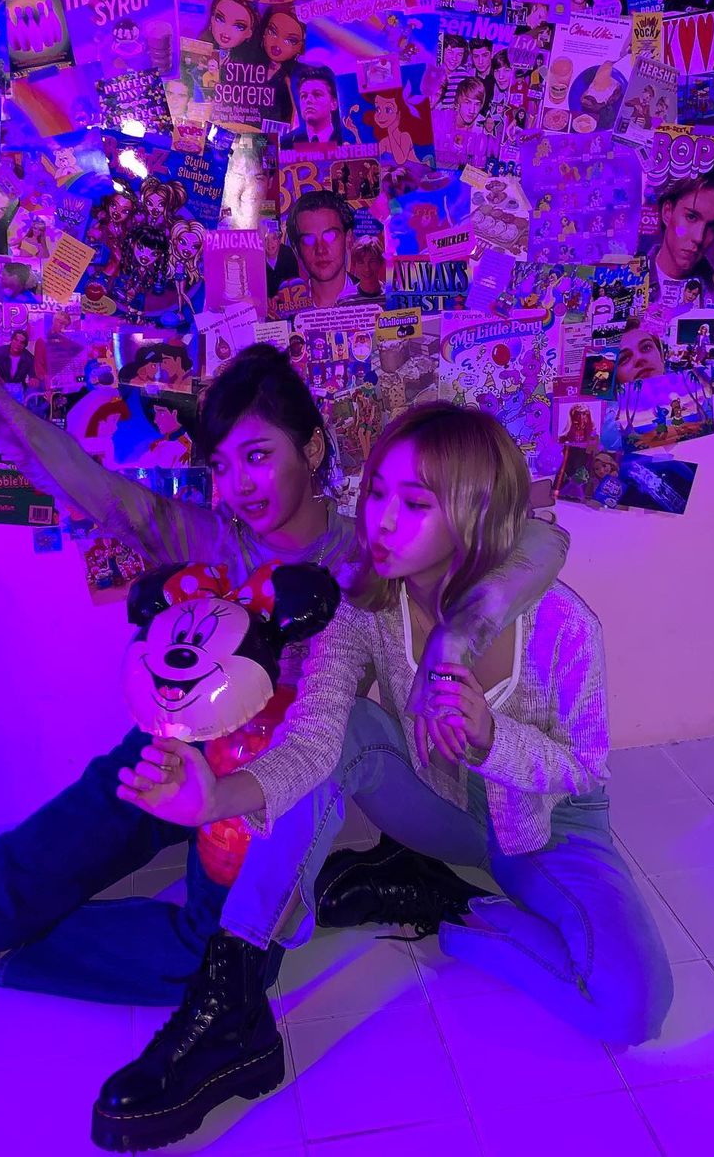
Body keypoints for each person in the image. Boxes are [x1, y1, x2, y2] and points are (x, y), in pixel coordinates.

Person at [0, 323, 566, 1032]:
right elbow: (63, 467)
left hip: (266, 791)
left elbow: (540, 539)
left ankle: (23, 942)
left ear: (311, 449)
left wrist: (456, 640)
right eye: (222, 466)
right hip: (167, 756)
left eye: (257, 455)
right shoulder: (203, 539)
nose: (239, 485)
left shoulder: (371, 552)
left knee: (217, 961)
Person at [97, 405, 672, 1150]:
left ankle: (456, 907)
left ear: (474, 513)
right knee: (353, 730)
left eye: (415, 503)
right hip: (436, 807)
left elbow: (585, 768)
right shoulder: (365, 608)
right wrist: (218, 798)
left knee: (631, 1010)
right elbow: (314, 743)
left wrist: (492, 739)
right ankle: (232, 996)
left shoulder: (562, 625)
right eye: (375, 493)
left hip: (549, 826)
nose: (382, 521)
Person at [649, 163, 714, 295]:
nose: (699, 237)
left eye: (711, 226)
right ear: (667, 212)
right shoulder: (631, 275)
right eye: (691, 217)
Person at [284, 188, 358, 307]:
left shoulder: (378, 300)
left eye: (330, 236)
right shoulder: (285, 310)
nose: (320, 250)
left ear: (348, 237)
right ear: (296, 249)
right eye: (308, 240)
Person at [281, 64, 344, 147]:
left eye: (317, 94)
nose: (308, 100)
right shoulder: (285, 144)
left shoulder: (346, 141)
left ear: (333, 103)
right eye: (304, 96)